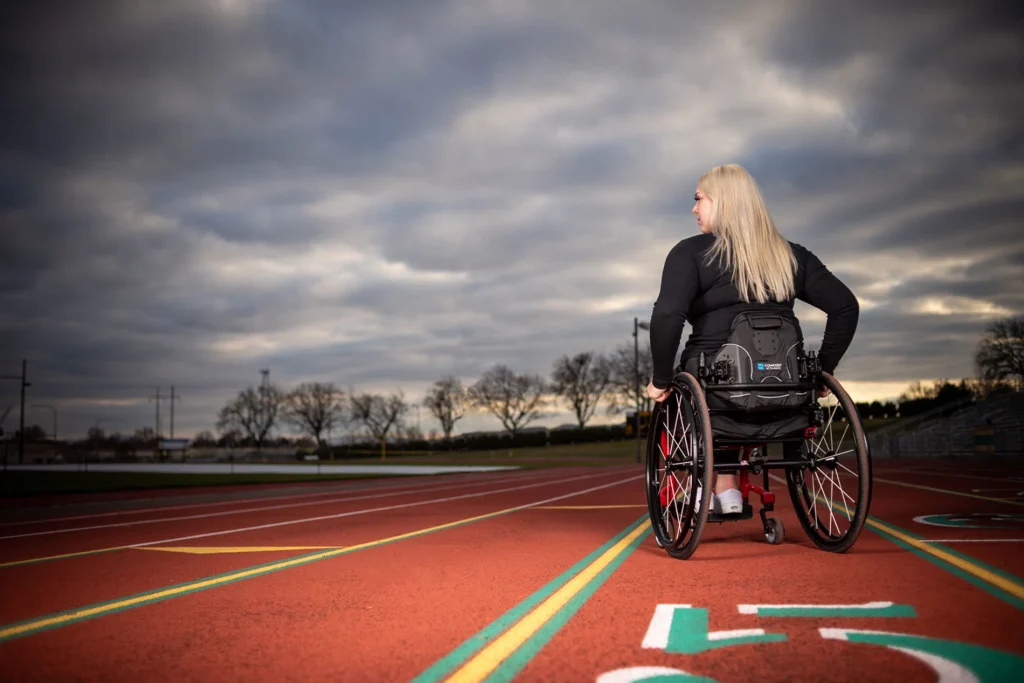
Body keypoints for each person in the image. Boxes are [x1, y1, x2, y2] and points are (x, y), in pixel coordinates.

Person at [645, 163, 859, 514]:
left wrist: (660, 379)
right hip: (786, 391)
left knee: (698, 383)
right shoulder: (791, 255)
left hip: (717, 391)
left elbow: (668, 316)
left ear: (724, 201)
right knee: (731, 383)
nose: (694, 208)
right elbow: (845, 307)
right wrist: (822, 371)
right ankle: (727, 485)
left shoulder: (691, 253)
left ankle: (709, 485)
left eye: (699, 199)